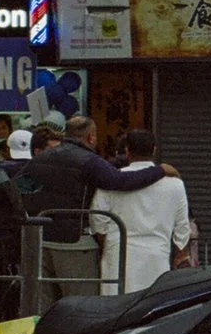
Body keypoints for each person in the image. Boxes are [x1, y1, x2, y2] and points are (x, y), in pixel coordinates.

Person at [14, 117, 170, 296]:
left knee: (42, 306)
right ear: (91, 137)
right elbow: (120, 181)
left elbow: (18, 188)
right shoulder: (89, 161)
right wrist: (159, 170)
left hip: (42, 239)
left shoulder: (41, 158)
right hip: (74, 242)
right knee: (80, 305)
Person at [88, 129, 193, 295]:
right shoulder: (175, 184)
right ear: (154, 150)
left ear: (127, 150)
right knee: (151, 306)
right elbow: (182, 226)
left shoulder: (111, 181)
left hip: (118, 254)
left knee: (115, 306)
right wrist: (181, 253)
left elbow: (98, 221)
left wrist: (107, 242)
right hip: (157, 255)